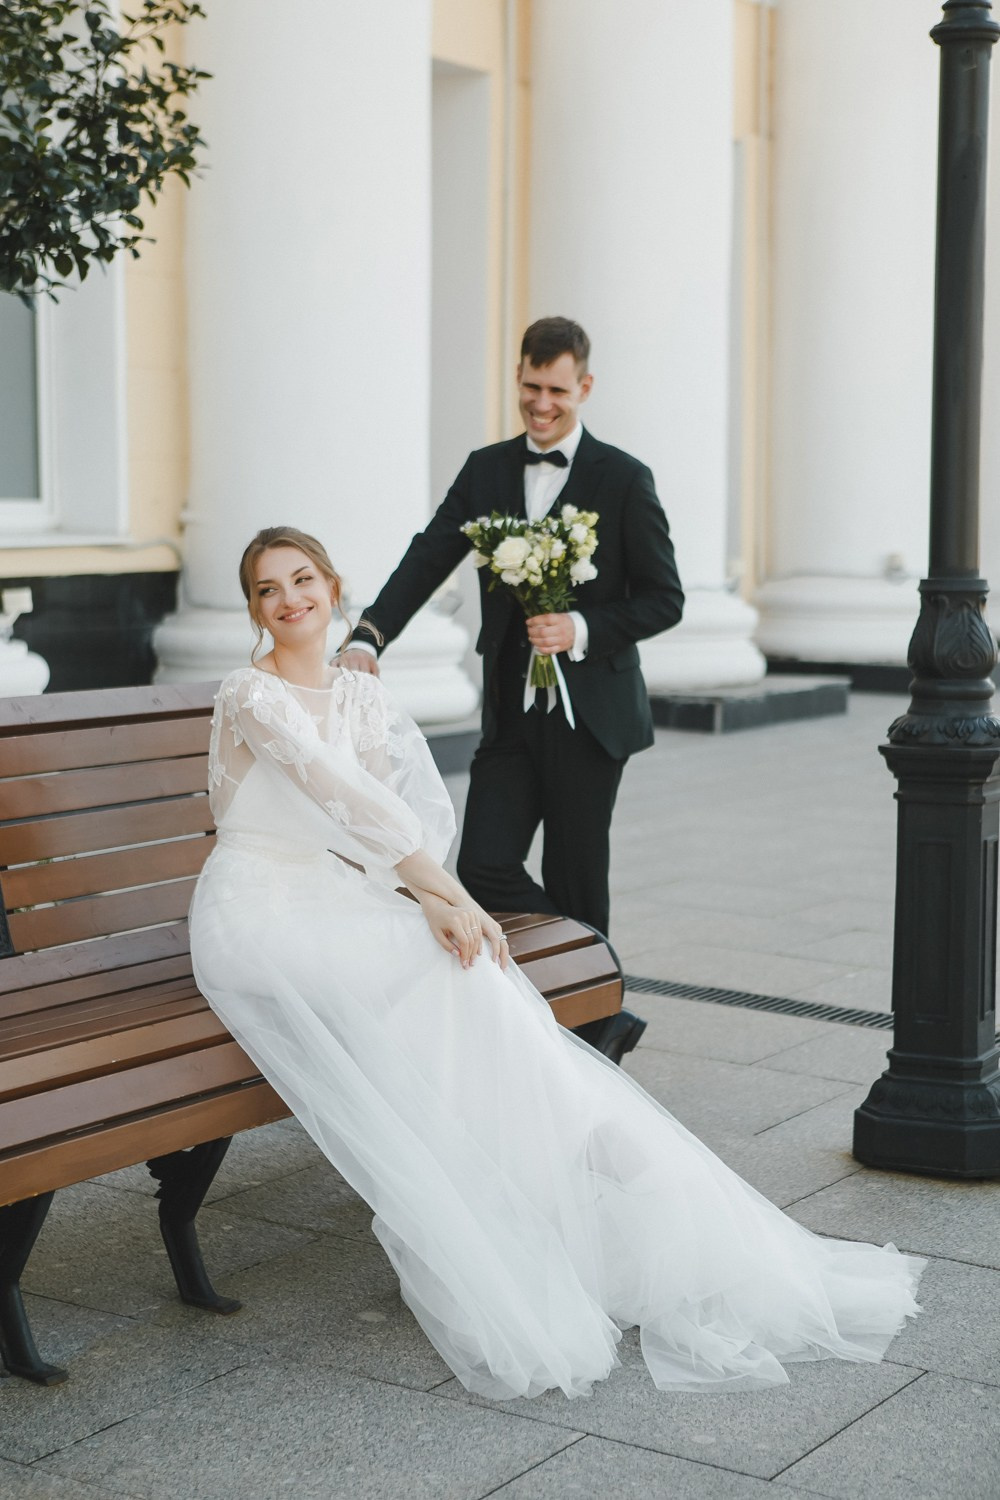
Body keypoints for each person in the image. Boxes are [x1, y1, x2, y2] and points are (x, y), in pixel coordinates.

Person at [189, 523, 923, 1404]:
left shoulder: (362, 695)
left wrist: (431, 898)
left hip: (343, 896)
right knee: (446, 968)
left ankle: (573, 1164)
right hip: (260, 906)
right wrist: (448, 898)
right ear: (255, 610)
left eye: (302, 578)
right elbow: (341, 803)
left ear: (333, 584)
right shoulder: (250, 694)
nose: (290, 599)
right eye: (268, 589)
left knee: (469, 976)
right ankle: (525, 1184)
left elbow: (392, 817)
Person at [338, 318, 684, 1060]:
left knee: (577, 875)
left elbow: (665, 598)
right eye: (531, 386)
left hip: (592, 720)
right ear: (518, 377)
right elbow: (429, 554)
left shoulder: (624, 479)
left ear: (584, 387)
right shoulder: (487, 469)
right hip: (510, 715)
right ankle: (588, 988)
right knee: (483, 863)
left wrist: (581, 628)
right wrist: (370, 634)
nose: (541, 404)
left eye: (557, 390)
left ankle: (591, 1030)